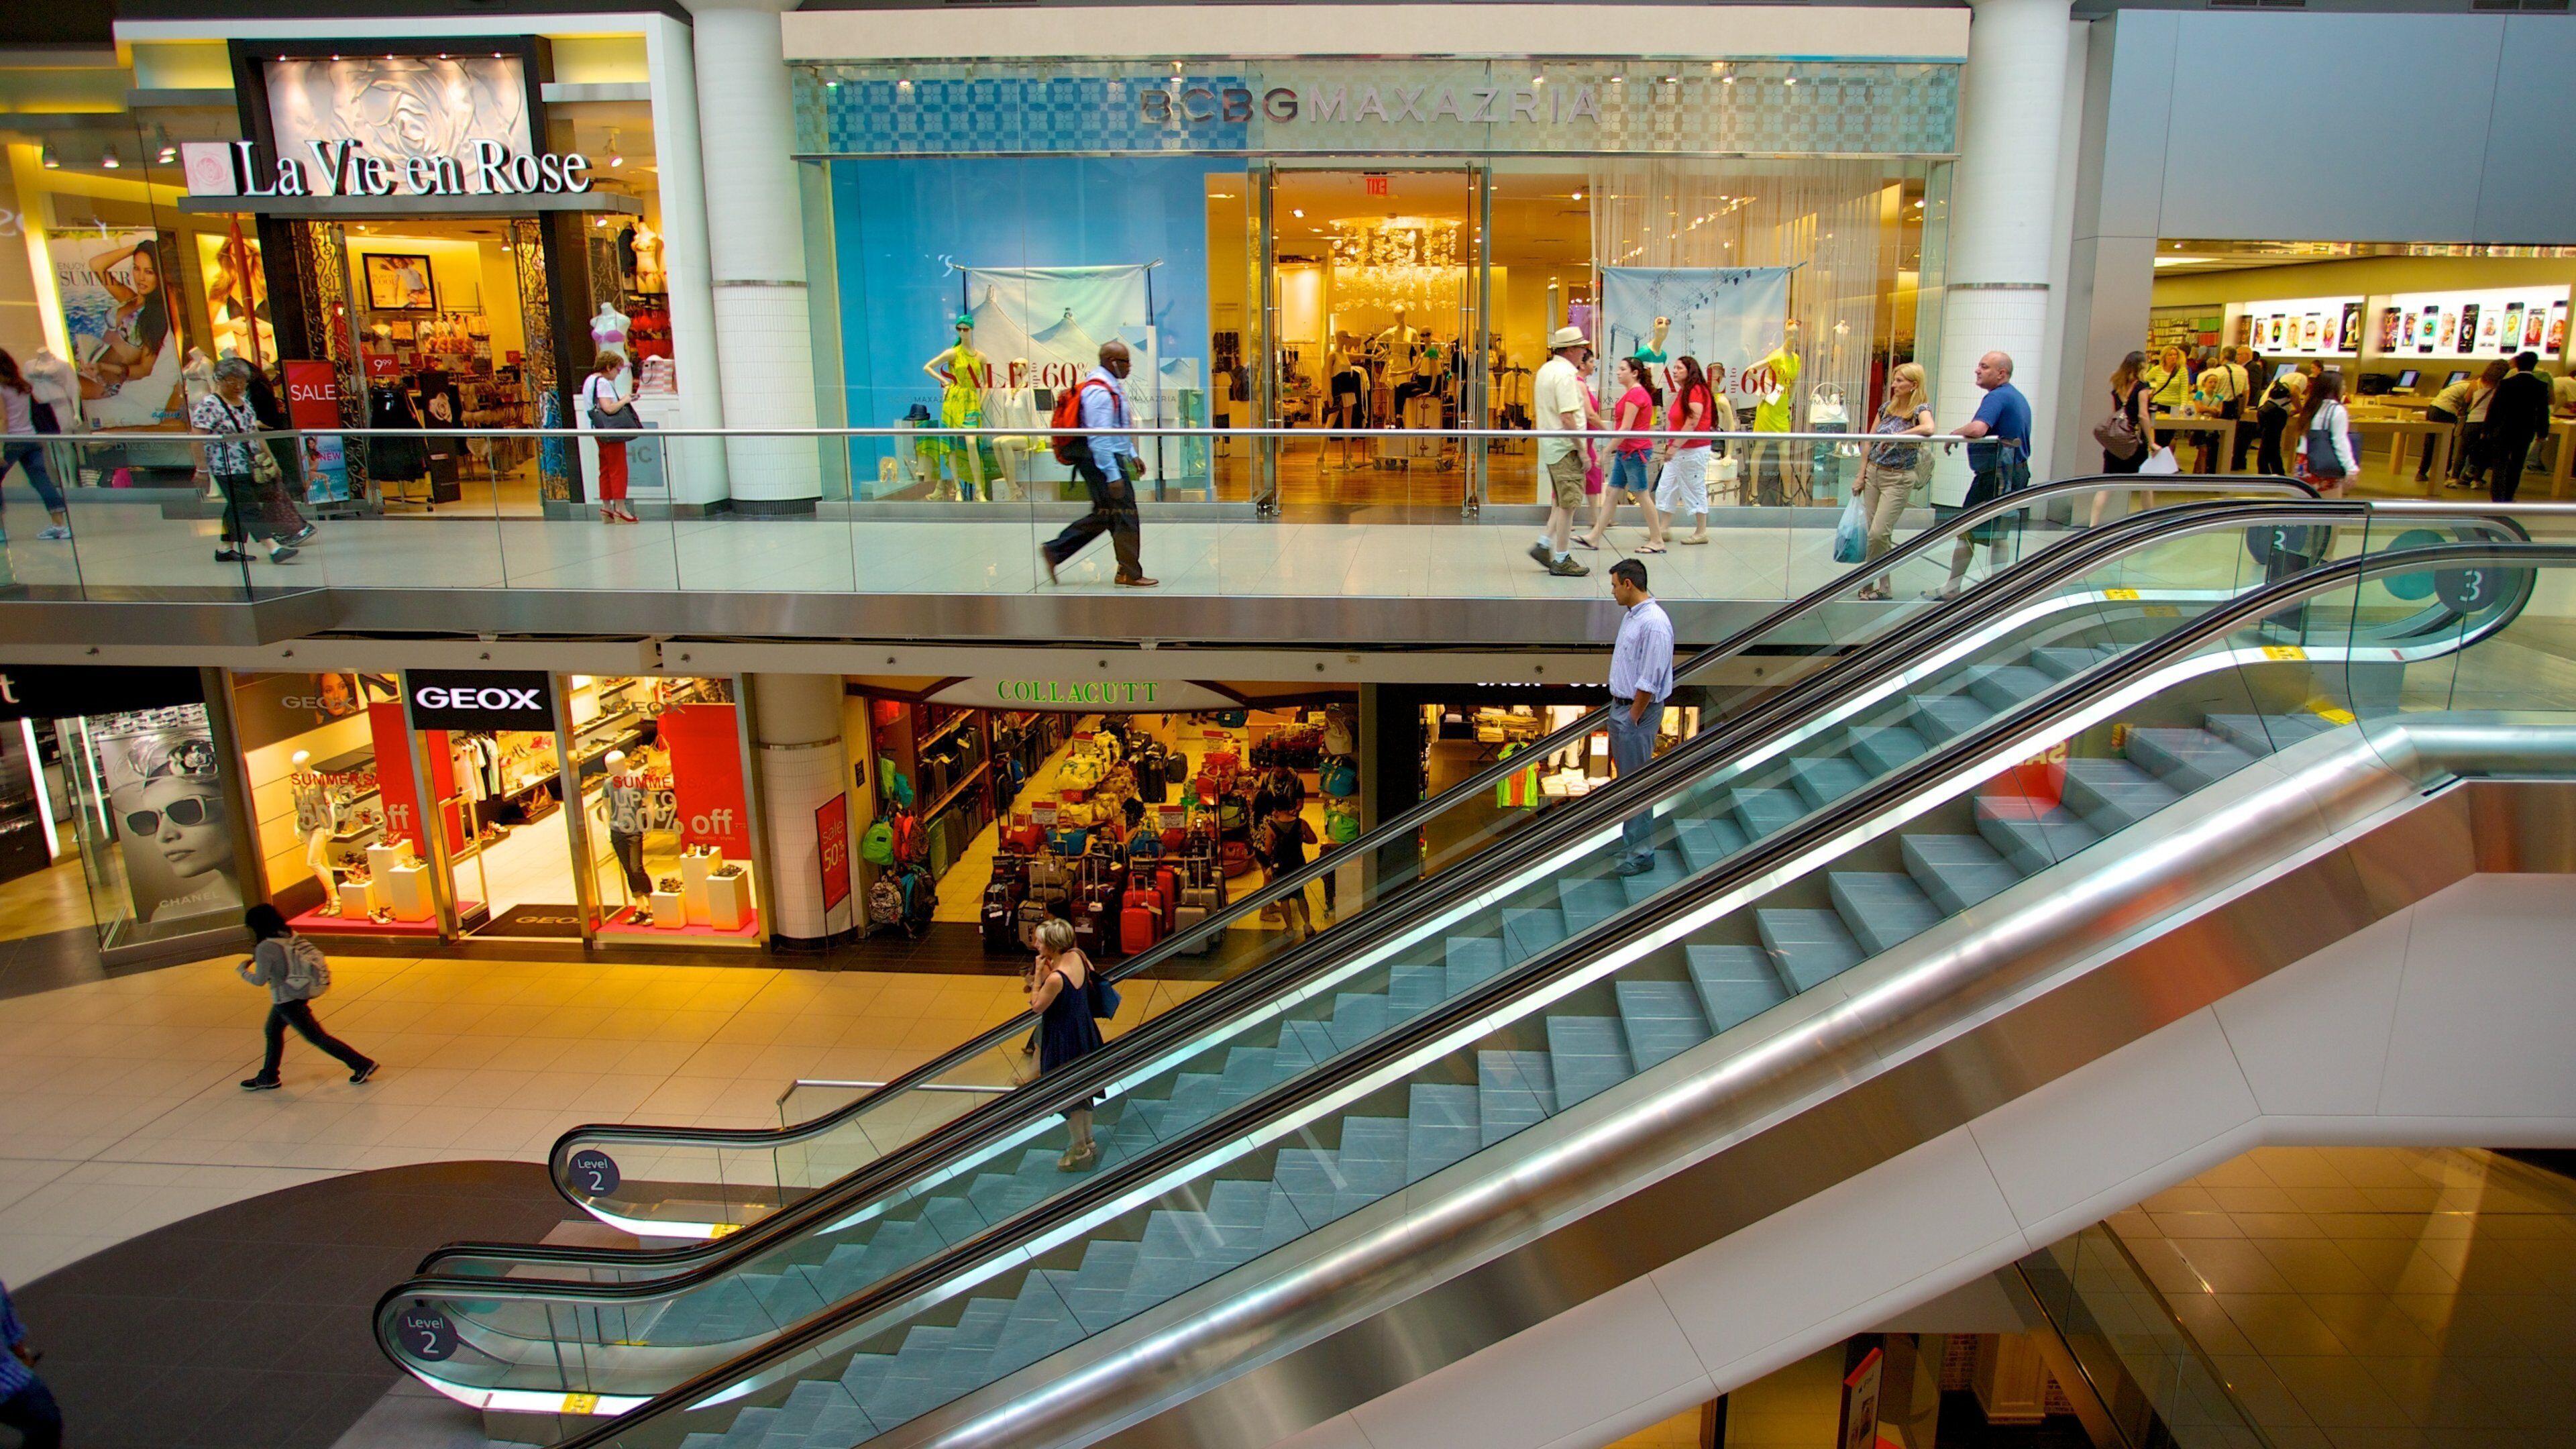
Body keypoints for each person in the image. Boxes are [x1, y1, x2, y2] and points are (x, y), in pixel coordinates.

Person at [1042, 339, 1155, 588]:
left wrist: (1132, 454)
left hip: (1104, 460)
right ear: (1111, 362)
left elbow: (1117, 429)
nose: (1129, 367)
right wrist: (1113, 475)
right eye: (1126, 362)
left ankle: (1056, 551)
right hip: (1101, 462)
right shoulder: (1100, 392)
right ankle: (1128, 573)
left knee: (1107, 515)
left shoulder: (1110, 386)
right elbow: (1100, 437)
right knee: (1125, 515)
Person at [237, 903, 376, 1089]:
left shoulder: (265, 947)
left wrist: (243, 971)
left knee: (317, 1037)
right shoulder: (289, 935)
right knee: (272, 1031)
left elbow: (259, 980)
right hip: (298, 992)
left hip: (286, 999)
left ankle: (361, 1064)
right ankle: (268, 1075)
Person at [1935, 351, 2033, 598]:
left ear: (2001, 374)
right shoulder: (2016, 397)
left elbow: (1978, 429)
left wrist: (1955, 433)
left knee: (1966, 530)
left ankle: (1952, 587)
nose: (1977, 370)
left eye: (1984, 366)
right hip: (2015, 474)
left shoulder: (1997, 397)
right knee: (2000, 534)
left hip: (1995, 477)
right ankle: (1997, 589)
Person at [193, 357, 301, 565]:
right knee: (247, 506)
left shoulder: (246, 404)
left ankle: (225, 548)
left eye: (242, 381)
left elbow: (255, 434)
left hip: (250, 464)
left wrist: (272, 460)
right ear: (219, 380)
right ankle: (273, 547)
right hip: (226, 466)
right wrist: (202, 469)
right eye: (232, 381)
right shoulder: (209, 404)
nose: (238, 386)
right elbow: (197, 438)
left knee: (236, 505)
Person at [1605, 558, 1674, 875]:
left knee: (1636, 785)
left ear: (1628, 584)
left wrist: (1632, 717)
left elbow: (1649, 679)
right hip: (1622, 708)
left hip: (1637, 712)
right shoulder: (1633, 616)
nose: (1613, 592)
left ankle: (1642, 854)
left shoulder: (1654, 624)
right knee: (1627, 783)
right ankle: (1631, 844)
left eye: (1614, 585)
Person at [1026, 917, 1104, 1170]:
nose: (1036, 945)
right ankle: (1089, 1140)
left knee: (1068, 1097)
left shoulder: (1056, 979)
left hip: (1063, 1039)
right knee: (1084, 1090)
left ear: (1052, 945)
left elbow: (1037, 1006)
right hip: (1084, 1032)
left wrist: (1038, 978)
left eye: (1041, 941)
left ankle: (1080, 1150)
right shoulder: (1078, 956)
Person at [1854, 362, 1933, 600]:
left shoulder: (1920, 409)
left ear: (1914, 385)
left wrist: (1899, 435)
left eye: (1900, 381)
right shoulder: (1886, 408)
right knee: (1875, 534)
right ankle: (1883, 586)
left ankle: (1867, 582)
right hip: (1874, 473)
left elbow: (1929, 428)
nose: (1894, 385)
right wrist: (1861, 474)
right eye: (1894, 380)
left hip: (1898, 478)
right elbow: (1869, 441)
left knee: (1879, 533)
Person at [1528, 325, 1597, 576]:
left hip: (1550, 445)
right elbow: (1567, 417)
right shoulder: (1567, 375)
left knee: (1561, 500)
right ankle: (1562, 558)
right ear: (1569, 350)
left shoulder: (1546, 370)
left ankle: (1545, 543)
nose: (1584, 353)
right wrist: (1582, 450)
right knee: (1569, 504)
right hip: (1565, 447)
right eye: (1581, 348)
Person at [1582, 354, 1660, 552]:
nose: (1618, 372)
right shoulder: (1633, 393)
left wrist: (1606, 451)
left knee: (1641, 494)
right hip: (1627, 451)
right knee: (1612, 492)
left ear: (1635, 373)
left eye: (1623, 369)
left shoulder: (1635, 394)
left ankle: (1657, 540)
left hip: (1635, 451)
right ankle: (1594, 537)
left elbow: (1625, 428)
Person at [0, 350, 71, 542]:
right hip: (32, 438)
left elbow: (3, 419)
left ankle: (1, 530)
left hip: (11, 441)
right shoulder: (23, 386)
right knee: (41, 480)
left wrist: (0, 447)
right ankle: (60, 525)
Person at [1648, 355, 1717, 549]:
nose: (1675, 371)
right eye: (1675, 368)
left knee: (1694, 488)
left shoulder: (1696, 391)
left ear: (1690, 370)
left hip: (1692, 450)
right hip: (1680, 450)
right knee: (1666, 487)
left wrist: (1675, 446)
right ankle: (1664, 528)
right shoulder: (1685, 391)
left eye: (1679, 368)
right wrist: (1674, 446)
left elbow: (1692, 422)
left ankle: (1701, 532)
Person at [241, 364, 315, 544]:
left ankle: (293, 528)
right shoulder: (253, 390)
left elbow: (267, 421)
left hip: (267, 444)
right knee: (271, 492)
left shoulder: (257, 391)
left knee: (271, 492)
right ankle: (288, 529)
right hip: (262, 445)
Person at [2484, 350, 2553, 504]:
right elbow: (2543, 412)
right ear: (2535, 364)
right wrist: (2543, 432)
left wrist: (2487, 428)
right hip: (2525, 431)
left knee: (2500, 464)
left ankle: (2497, 497)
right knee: (2517, 463)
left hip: (2504, 429)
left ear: (2517, 364)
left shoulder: (2506, 384)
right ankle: (2509, 496)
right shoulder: (2540, 386)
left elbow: (2495, 408)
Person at [580, 350, 640, 524]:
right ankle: (621, 509)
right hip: (611, 431)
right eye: (617, 369)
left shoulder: (590, 380)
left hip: (597, 430)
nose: (618, 373)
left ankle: (606, 507)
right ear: (608, 367)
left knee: (605, 468)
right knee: (618, 468)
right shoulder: (603, 383)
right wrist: (625, 400)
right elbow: (608, 408)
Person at [0, 1279, 60, 1449]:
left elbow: (8, 1323)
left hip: (8, 1375)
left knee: (46, 1422)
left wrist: (20, 1354)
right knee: (45, 1421)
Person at [1258, 799, 1320, 943]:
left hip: (1281, 866)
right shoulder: (1301, 823)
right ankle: (1308, 926)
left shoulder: (1271, 827)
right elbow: (1313, 840)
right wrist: (1301, 839)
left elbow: (1268, 851)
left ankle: (1290, 928)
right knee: (1300, 895)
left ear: (1277, 810)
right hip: (1298, 864)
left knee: (1284, 899)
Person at [2294, 370, 2358, 496]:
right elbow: (2340, 441)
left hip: (2303, 462)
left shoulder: (2311, 406)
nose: (2345, 388)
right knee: (2329, 505)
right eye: (2343, 384)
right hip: (2324, 464)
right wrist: (2351, 468)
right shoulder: (2337, 410)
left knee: (2305, 503)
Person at [2453, 359, 2508, 489]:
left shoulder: (2475, 383)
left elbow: (2467, 401)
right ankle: (2476, 480)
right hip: (2490, 423)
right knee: (2484, 452)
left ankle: (2454, 478)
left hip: (2472, 421)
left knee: (2462, 451)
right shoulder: (2502, 386)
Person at [2098, 350, 2153, 476]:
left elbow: (2115, 412)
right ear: (2142, 366)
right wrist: (2151, 441)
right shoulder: (2142, 386)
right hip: (2134, 439)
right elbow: (2143, 415)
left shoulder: (2118, 384)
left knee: (2110, 479)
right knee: (2139, 479)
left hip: (2117, 439)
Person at [2256, 362, 2314, 478]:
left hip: (2265, 409)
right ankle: (2274, 473)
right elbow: (2294, 393)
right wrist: (2302, 412)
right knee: (2272, 445)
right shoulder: (2302, 378)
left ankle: (2271, 472)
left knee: (2269, 443)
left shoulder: (2288, 377)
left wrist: (2295, 411)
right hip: (2274, 412)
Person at [2418, 370, 2475, 484]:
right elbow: (2467, 402)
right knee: (2447, 443)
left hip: (2433, 408)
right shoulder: (2474, 386)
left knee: (2430, 442)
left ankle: (2421, 472)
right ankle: (2443, 472)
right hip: (2446, 412)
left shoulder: (2459, 383)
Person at [2188, 353, 2237, 473]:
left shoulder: (2219, 397)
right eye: (2211, 382)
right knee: (2203, 450)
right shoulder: (2200, 394)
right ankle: (2201, 473)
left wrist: (2211, 410)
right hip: (2200, 426)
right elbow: (2199, 408)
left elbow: (2219, 411)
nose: (2213, 384)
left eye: (2215, 382)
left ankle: (2198, 471)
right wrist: (2211, 409)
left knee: (2206, 452)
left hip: (2212, 428)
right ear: (2205, 383)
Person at [2229, 346, 2267, 471]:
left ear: (2246, 355)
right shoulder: (2241, 368)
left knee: (2244, 436)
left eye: (2239, 354)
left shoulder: (2253, 367)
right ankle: (2238, 461)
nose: (2237, 357)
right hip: (2241, 405)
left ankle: (2238, 460)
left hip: (2249, 406)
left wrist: (2245, 402)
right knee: (2239, 436)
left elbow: (2254, 388)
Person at [2146, 345, 2192, 415]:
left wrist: (2183, 406)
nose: (2173, 357)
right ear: (2164, 357)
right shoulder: (2157, 369)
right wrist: (2149, 391)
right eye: (2170, 355)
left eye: (2175, 355)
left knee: (2173, 421)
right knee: (2155, 421)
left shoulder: (2182, 370)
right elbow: (2143, 380)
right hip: (2158, 404)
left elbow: (2184, 390)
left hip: (2175, 405)